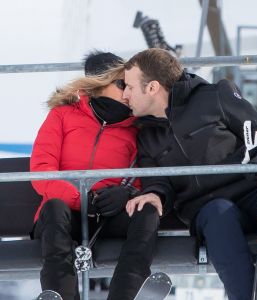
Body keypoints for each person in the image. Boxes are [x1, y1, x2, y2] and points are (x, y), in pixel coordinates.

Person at [122, 48, 257, 300]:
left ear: (152, 87)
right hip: (206, 207)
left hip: (253, 192)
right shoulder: (146, 136)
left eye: (129, 86)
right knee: (219, 217)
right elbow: (158, 182)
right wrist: (154, 195)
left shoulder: (214, 96)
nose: (125, 94)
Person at [31, 52, 161, 300]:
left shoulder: (137, 128)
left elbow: (144, 175)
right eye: (121, 84)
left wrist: (128, 194)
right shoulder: (63, 116)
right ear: (100, 83)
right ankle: (62, 295)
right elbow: (41, 171)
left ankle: (126, 294)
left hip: (109, 216)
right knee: (54, 207)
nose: (127, 93)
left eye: (130, 86)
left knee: (146, 210)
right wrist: (81, 198)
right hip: (65, 217)